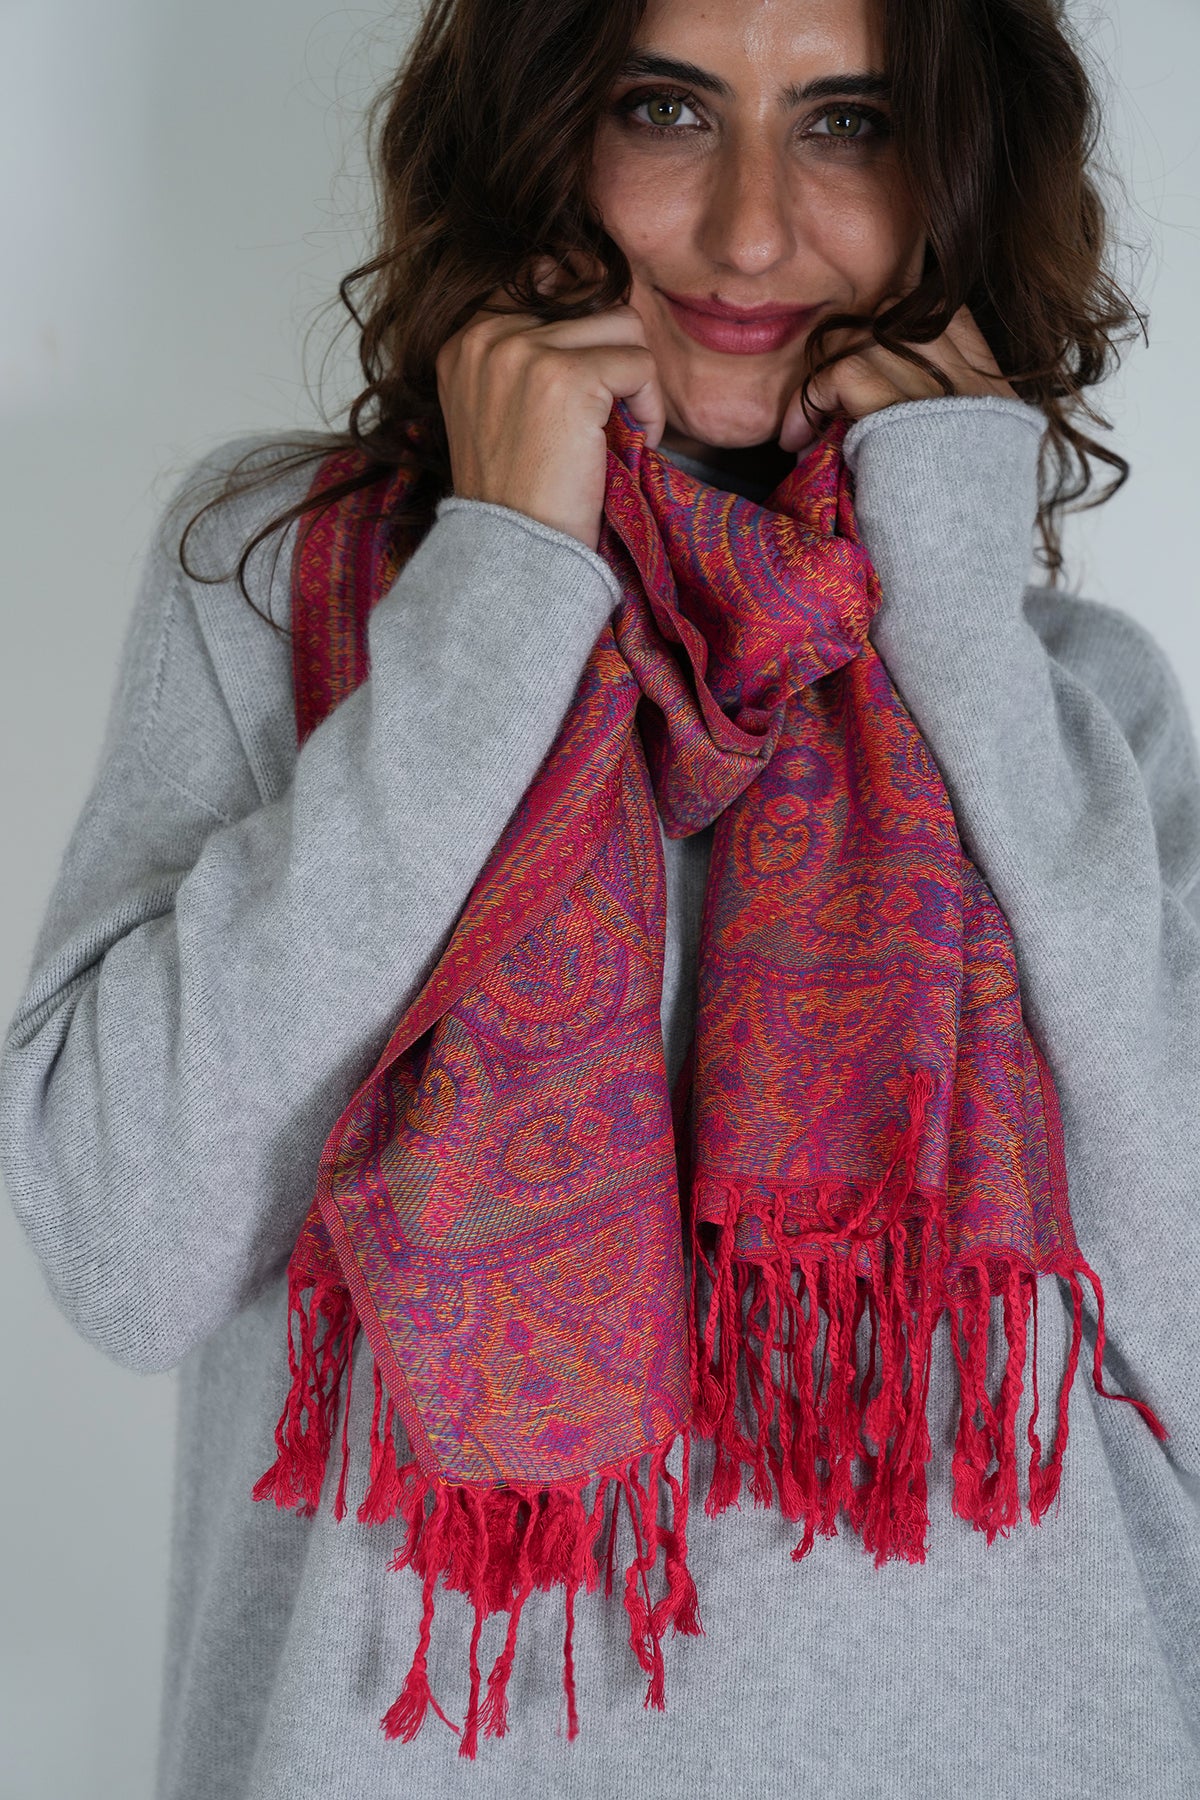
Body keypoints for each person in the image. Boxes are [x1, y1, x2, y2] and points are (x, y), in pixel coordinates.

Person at [3, 0, 1199, 1793]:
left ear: (954, 179)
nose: (744, 226)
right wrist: (500, 593)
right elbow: (120, 1251)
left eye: (847, 122)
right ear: (546, 130)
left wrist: (956, 613)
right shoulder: (293, 591)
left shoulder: (1069, 695)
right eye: (666, 107)